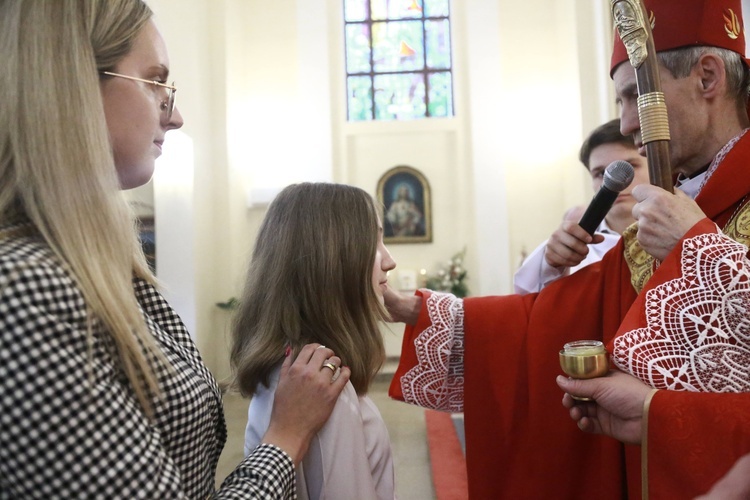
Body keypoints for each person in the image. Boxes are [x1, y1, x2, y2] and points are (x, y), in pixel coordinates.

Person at [384, 0, 750, 498]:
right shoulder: (675, 207)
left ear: (707, 78)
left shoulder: (685, 223)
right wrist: (423, 313)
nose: (623, 123)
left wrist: (698, 250)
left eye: (633, 96)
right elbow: (561, 317)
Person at [0, 1, 350, 498]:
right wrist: (286, 437)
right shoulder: (25, 292)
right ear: (71, 86)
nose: (177, 116)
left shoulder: (94, 263)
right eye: (156, 83)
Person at [230, 182, 398, 499]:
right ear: (333, 260)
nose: (389, 260)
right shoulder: (319, 382)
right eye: (373, 242)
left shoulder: (293, 365)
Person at [514, 118, 650, 293]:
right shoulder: (570, 246)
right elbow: (531, 302)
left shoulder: (680, 227)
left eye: (628, 167)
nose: (615, 182)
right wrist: (552, 267)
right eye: (601, 173)